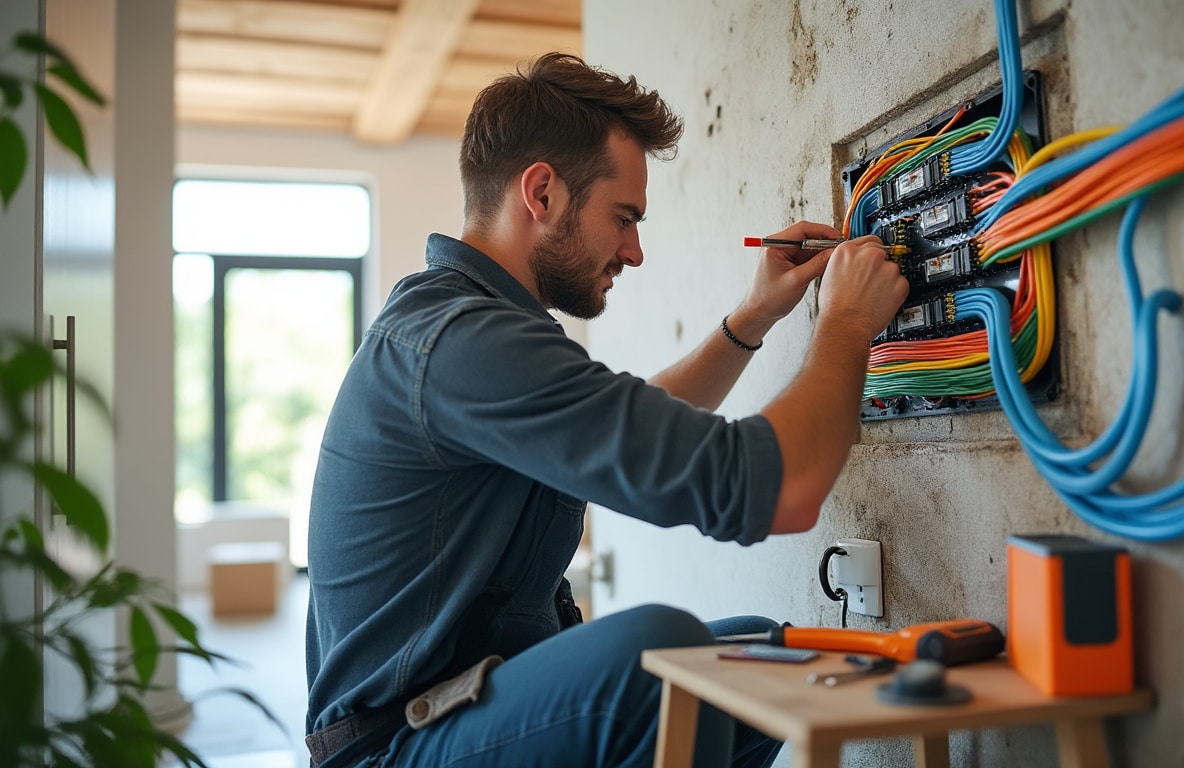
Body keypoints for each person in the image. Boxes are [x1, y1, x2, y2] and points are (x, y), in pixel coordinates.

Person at [304, 52, 909, 768]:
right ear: (542, 193)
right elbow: (784, 488)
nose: (636, 251)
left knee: (766, 657)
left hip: (453, 713)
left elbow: (628, 428)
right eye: (623, 218)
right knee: (661, 653)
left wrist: (752, 317)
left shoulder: (469, 326)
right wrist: (846, 323)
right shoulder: (462, 342)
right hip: (392, 748)